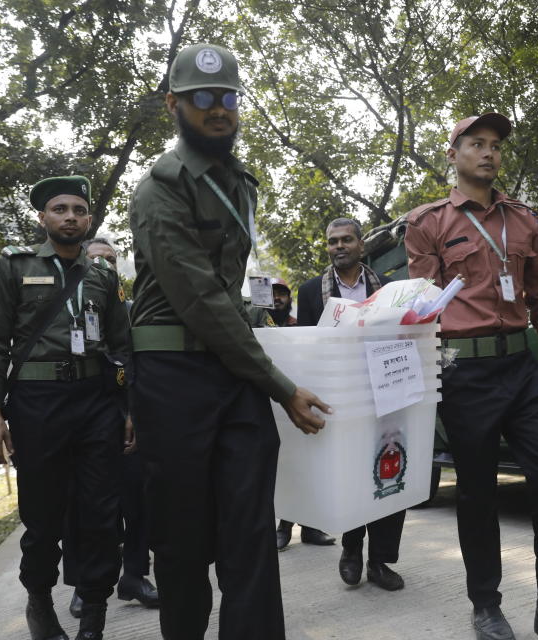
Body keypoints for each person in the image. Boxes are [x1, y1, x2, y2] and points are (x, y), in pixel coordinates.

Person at [127, 42, 330, 640]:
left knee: (250, 534)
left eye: (229, 97)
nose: (220, 109)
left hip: (232, 370)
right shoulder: (159, 187)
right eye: (203, 99)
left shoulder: (241, 182)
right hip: (173, 376)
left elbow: (227, 294)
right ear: (174, 104)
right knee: (183, 539)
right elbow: (200, 300)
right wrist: (282, 386)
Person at [404, 113, 538, 640]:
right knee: (477, 492)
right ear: (453, 154)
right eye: (476, 144)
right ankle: (485, 605)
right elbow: (420, 308)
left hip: (520, 365)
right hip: (464, 371)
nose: (488, 153)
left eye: (494, 146)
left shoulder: (523, 220)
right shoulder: (428, 222)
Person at [0, 176, 131, 640]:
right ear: (43, 218)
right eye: (60, 209)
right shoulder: (15, 266)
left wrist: (129, 409)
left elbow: (123, 347)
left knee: (102, 512)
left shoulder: (105, 275)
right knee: (43, 515)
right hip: (37, 404)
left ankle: (95, 612)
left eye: (79, 210)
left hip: (96, 404)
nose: (70, 216)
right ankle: (40, 602)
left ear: (89, 219)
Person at [297, 217, 407, 592]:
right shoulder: (311, 291)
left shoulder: (390, 289)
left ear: (362, 245)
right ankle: (352, 548)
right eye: (332, 241)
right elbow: (307, 348)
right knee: (349, 476)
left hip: (387, 393)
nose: (338, 246)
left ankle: (380, 562)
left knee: (390, 473)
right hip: (339, 397)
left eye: (346, 240)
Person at [63, 238, 159, 617]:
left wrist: (135, 412)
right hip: (81, 422)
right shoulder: (68, 311)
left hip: (126, 421)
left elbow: (143, 367)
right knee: (84, 507)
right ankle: (85, 584)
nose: (104, 266)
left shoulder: (133, 311)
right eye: (97, 259)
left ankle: (134, 576)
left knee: (138, 504)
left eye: (111, 261)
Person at [253, 277, 335, 549]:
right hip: (271, 400)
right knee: (284, 466)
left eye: (282, 295)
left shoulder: (297, 325)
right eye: (272, 294)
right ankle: (284, 525)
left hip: (299, 399)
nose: (277, 299)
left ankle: (310, 527)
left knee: (306, 463)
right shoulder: (254, 322)